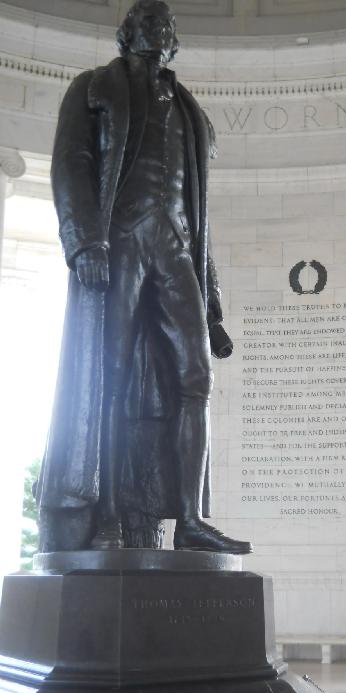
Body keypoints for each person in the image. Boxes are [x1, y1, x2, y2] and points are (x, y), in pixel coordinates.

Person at [35, 0, 251, 555]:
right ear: (125, 33)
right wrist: (85, 241)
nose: (158, 31)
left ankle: (191, 519)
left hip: (176, 249)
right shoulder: (92, 89)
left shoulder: (189, 111)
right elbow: (72, 165)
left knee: (196, 378)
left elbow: (200, 217)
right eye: (147, 23)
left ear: (175, 41)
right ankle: (107, 513)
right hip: (121, 242)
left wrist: (215, 311)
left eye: (167, 26)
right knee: (108, 378)